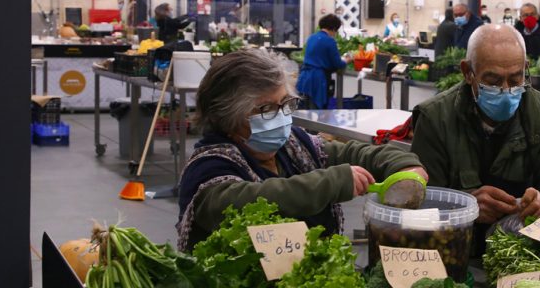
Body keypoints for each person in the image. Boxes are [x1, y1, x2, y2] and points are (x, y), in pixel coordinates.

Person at [177, 49, 427, 251]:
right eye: (266, 109)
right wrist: (332, 182)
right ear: (228, 118)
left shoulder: (295, 147)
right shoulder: (208, 170)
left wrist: (403, 163)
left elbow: (352, 153)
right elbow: (252, 200)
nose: (280, 116)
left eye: (285, 103)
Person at [409, 24, 540, 242]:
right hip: (454, 247)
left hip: (521, 249)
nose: (505, 90)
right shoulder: (435, 118)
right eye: (493, 81)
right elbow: (421, 205)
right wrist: (465, 207)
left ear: (525, 68)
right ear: (468, 72)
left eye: (515, 79)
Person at [297, 14, 348, 110]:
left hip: (304, 78)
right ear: (333, 28)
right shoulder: (329, 41)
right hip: (318, 80)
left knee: (304, 109)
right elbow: (337, 63)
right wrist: (346, 60)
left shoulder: (311, 37)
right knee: (318, 111)